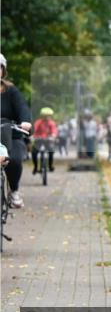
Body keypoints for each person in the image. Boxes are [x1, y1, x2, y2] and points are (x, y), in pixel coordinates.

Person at [0, 53, 32, 209]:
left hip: (10, 133)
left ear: (3, 70)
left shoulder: (11, 91)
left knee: (15, 159)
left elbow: (22, 107)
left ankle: (14, 191)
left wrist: (25, 121)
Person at [31, 108, 58, 175]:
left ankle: (50, 166)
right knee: (34, 152)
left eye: (48, 115)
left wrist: (53, 136)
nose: (46, 117)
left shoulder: (52, 123)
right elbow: (34, 129)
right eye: (45, 115)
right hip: (39, 140)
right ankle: (35, 167)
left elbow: (54, 131)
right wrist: (32, 136)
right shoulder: (38, 122)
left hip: (48, 140)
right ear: (42, 116)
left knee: (51, 151)